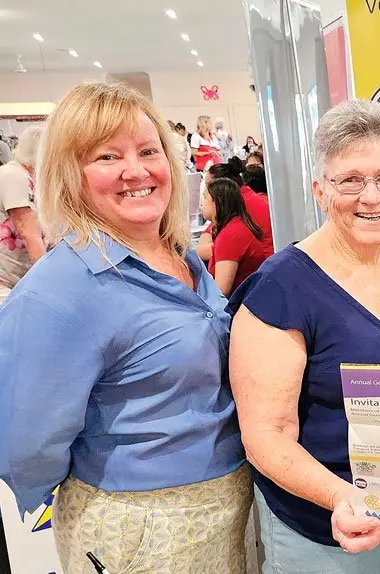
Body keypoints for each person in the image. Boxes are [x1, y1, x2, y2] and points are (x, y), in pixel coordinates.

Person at [0, 81, 250, 573]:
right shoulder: (61, 290)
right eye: (107, 157)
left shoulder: (179, 255)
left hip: (229, 505)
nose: (136, 171)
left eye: (148, 151)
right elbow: (24, 441)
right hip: (140, 526)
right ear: (69, 174)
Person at [227, 99, 380, 573]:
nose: (371, 197)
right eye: (350, 180)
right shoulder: (282, 286)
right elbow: (266, 434)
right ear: (320, 190)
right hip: (325, 534)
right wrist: (344, 498)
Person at [201, 177, 270, 296]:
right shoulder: (236, 225)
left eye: (205, 198)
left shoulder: (230, 236)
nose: (202, 203)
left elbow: (221, 292)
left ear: (216, 203)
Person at [0, 126, 46, 302]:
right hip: (8, 278)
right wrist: (47, 279)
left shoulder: (25, 176)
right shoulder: (14, 176)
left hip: (17, 277)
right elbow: (28, 232)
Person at [195, 162, 273, 264]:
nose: (203, 197)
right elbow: (210, 232)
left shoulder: (239, 207)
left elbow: (221, 251)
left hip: (263, 265)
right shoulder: (241, 198)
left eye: (207, 188)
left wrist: (189, 252)